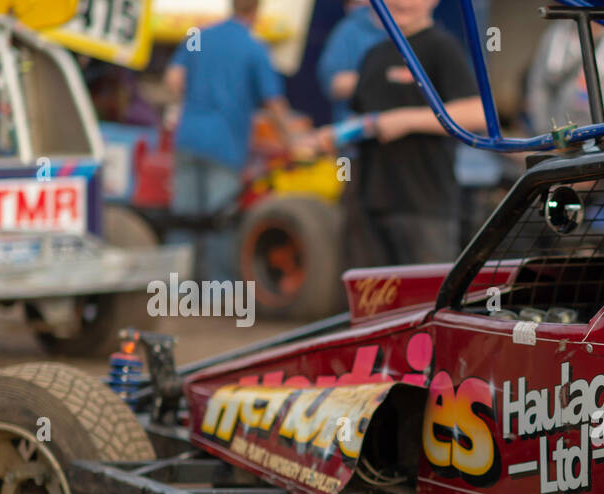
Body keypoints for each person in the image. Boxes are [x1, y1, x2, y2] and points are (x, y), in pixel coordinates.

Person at [325, 0, 488, 268]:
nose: (402, 2)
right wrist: (331, 135)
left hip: (424, 205)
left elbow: (477, 113)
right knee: (372, 301)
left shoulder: (442, 48)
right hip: (368, 205)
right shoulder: (373, 55)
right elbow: (363, 119)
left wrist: (406, 120)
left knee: (426, 300)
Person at [164, 0, 294, 282]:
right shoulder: (254, 47)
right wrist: (292, 139)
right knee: (220, 222)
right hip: (225, 145)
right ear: (256, 11)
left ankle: (174, 290)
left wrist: (191, 101)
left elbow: (173, 78)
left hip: (188, 137)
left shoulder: (201, 37)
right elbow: (273, 103)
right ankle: (218, 291)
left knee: (184, 219)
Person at [316, 1, 387, 125]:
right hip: (354, 130)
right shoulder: (350, 29)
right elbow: (332, 83)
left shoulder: (425, 37)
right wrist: (390, 76)